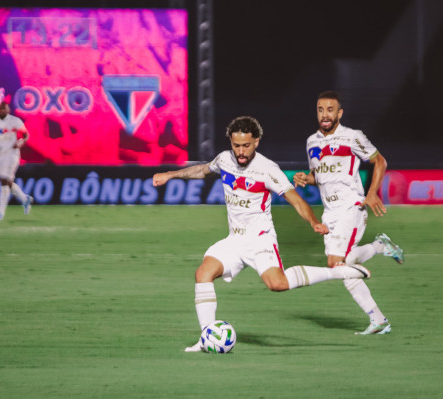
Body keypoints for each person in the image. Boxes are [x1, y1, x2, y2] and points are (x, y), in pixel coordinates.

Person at [152, 116, 372, 352]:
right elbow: (203, 170)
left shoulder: (267, 170)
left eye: (246, 145)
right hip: (235, 240)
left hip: (260, 241)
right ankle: (207, 338)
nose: (240, 151)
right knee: (203, 274)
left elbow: (295, 200)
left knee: (277, 284)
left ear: (256, 141)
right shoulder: (224, 159)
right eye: (236, 145)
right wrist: (170, 174)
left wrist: (314, 222)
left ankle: (340, 272)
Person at [293, 91, 403, 335]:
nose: (325, 114)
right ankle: (379, 251)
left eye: (330, 109)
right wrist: (307, 178)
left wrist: (372, 193)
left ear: (339, 113)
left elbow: (380, 161)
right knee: (344, 266)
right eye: (321, 109)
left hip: (351, 207)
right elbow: (321, 177)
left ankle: (378, 318)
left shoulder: (353, 137)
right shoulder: (312, 142)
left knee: (336, 263)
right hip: (329, 213)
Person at [0, 101, 33, 220]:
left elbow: (26, 134)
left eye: (4, 109)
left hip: (12, 154)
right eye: (0, 109)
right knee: (8, 181)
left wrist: (21, 142)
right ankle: (24, 199)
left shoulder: (15, 121)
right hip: (0, 155)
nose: (2, 111)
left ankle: (0, 213)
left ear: (8, 110)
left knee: (4, 182)